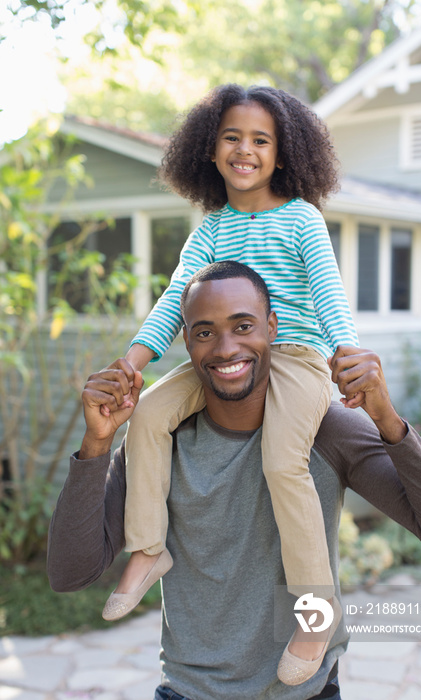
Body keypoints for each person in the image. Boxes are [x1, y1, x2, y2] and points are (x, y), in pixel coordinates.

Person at [48, 262, 421, 700]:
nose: (226, 348)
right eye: (205, 332)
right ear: (187, 341)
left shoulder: (328, 430)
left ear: (272, 327)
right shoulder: (160, 439)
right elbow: (70, 573)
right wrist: (97, 443)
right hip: (189, 692)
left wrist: (386, 418)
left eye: (243, 326)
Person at [102, 86, 360, 682]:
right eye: (232, 138)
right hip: (220, 357)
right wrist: (134, 361)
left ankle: (315, 612)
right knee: (147, 414)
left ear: (283, 152)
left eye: (261, 140)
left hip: (292, 355)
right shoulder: (212, 228)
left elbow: (327, 293)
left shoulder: (300, 218)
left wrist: (348, 354)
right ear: (210, 151)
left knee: (282, 461)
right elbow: (176, 298)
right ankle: (148, 547)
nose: (245, 150)